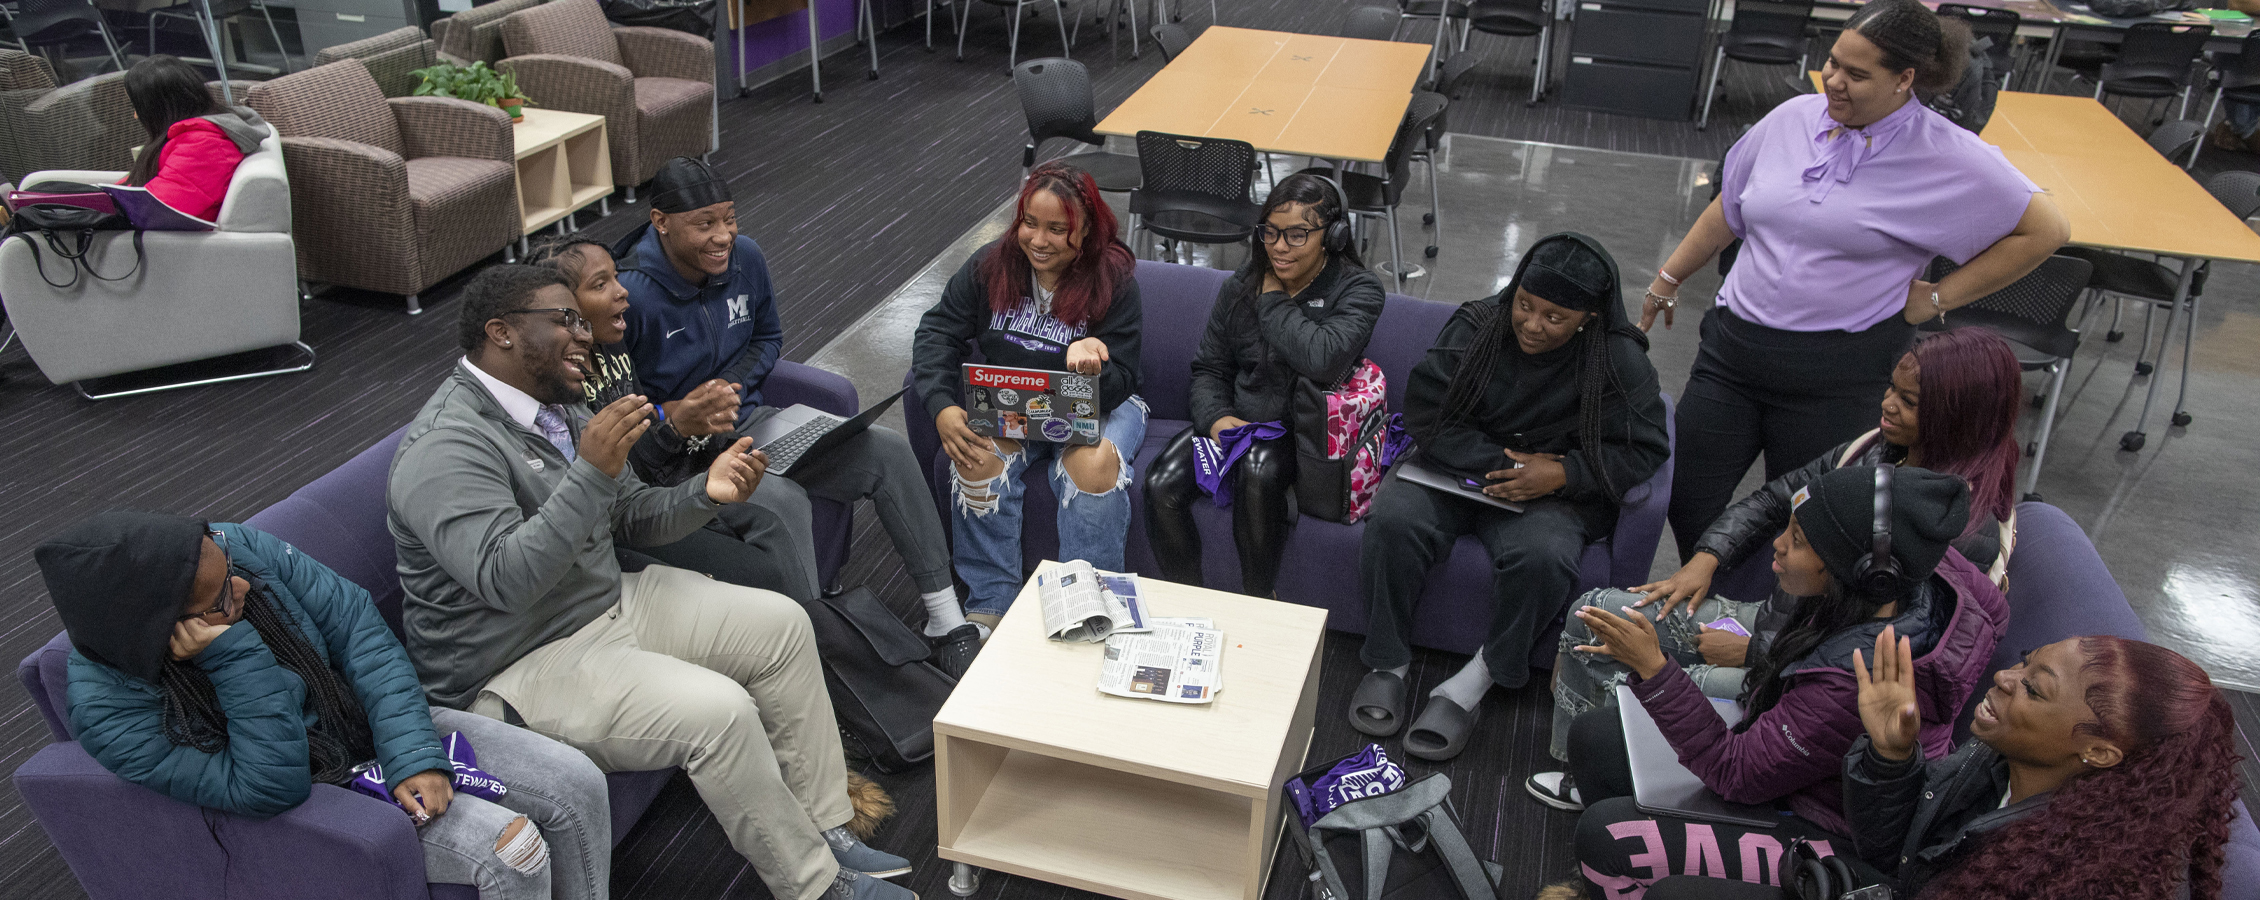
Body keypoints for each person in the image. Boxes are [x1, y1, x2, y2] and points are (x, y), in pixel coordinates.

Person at [387, 265, 917, 900]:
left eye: (581, 322)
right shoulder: (446, 446)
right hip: (514, 661)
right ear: (500, 332)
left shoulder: (558, 404)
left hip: (599, 602)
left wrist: (705, 492)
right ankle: (816, 886)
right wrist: (590, 469)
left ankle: (824, 824)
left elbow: (629, 512)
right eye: (564, 321)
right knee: (719, 712)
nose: (584, 335)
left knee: (781, 624)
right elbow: (506, 581)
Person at [1646, 0, 2068, 562]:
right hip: (1732, 353)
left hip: (1837, 374)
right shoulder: (1792, 118)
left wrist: (1939, 297)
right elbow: (1732, 205)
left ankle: (1764, 617)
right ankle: (1719, 590)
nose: (1835, 83)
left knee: (1809, 512)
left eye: (1857, 74)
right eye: (1833, 64)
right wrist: (1669, 277)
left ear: (1905, 80)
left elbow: (2046, 229)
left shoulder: (1947, 155)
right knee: (1686, 493)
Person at [1533, 327, 2026, 782]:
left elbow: (1876, 661)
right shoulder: (1873, 451)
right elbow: (1776, 498)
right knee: (1594, 614)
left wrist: (1754, 652)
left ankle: (1605, 776)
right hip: (1778, 626)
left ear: (1957, 416)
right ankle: (1581, 773)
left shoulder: (1964, 535)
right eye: (1891, 388)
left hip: (1798, 675)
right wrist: (1706, 557)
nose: (1887, 405)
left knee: (1626, 669)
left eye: (1909, 401)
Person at [37, 512, 611, 900]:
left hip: (359, 722)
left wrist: (412, 753)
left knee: (577, 778)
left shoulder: (235, 550)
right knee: (511, 849)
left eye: (231, 573)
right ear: (160, 628)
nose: (242, 589)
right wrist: (234, 657)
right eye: (219, 598)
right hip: (312, 785)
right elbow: (265, 786)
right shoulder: (109, 714)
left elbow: (359, 632)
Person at [613, 158, 979, 672]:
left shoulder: (746, 257)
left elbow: (767, 338)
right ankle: (819, 654)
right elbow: (608, 403)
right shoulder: (627, 294)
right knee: (782, 500)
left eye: (730, 218)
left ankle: (945, 618)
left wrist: (732, 386)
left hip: (747, 423)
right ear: (660, 222)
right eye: (705, 224)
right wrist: (668, 413)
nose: (724, 236)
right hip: (676, 458)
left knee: (887, 450)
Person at [1558, 465, 2009, 867]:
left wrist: (1654, 669)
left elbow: (1736, 774)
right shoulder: (1917, 570)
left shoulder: (1849, 683)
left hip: (1822, 825)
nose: (1778, 546)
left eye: (1797, 541)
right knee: (1594, 738)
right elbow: (1995, 608)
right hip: (1794, 756)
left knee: (1605, 832)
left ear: (1853, 572)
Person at [1349, 233, 1669, 763]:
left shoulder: (1617, 358)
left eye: (1554, 317)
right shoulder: (1478, 325)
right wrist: (1507, 465)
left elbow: (1645, 448)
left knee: (1543, 557)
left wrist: (1563, 472)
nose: (1532, 324)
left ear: (1588, 317)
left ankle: (1472, 684)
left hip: (1553, 492)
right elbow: (1427, 414)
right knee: (1394, 519)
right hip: (1460, 467)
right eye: (1525, 304)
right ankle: (1387, 662)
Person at [1607, 634, 2240, 899]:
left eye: (2035, 689)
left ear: (2100, 752)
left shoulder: (2082, 874)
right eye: (2024, 663)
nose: (2004, 678)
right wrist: (1890, 756)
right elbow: (1894, 851)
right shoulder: (1995, 757)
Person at [910, 162, 1144, 626]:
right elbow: (936, 332)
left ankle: (1089, 608)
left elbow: (1125, 379)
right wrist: (941, 405)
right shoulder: (989, 265)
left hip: (1099, 405)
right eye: (1030, 223)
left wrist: (1092, 366)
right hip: (1015, 405)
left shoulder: (1113, 280)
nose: (1039, 240)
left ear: (1085, 231)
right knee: (974, 456)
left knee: (1092, 465)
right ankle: (989, 608)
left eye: (1058, 229)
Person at [533, 234, 815, 606]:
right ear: (564, 308)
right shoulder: (565, 385)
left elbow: (643, 419)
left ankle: (823, 631)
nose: (623, 293)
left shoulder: (613, 341)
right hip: (633, 511)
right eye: (602, 285)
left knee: (782, 510)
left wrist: (675, 414)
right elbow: (616, 477)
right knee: (759, 566)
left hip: (671, 475)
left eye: (616, 278)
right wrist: (677, 426)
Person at [1143, 173, 1386, 597]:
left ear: (1332, 235)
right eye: (1270, 232)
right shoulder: (1243, 283)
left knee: (1257, 468)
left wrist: (1273, 300)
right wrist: (1218, 420)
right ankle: (1188, 601)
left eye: (1296, 235)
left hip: (1303, 435)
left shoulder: (1358, 289)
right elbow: (1210, 368)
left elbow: (1322, 359)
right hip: (1239, 423)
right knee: (1160, 482)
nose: (1278, 246)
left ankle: (1258, 600)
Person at [120, 54, 270, 221]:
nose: (136, 115)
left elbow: (158, 207)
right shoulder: (194, 136)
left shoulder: (204, 145)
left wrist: (105, 205)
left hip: (169, 241)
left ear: (159, 107)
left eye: (138, 107)